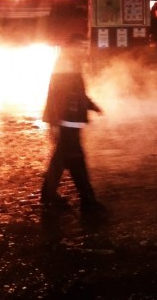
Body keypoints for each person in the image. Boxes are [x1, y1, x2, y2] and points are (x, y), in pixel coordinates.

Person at [40, 34, 107, 216]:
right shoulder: (66, 64)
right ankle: (88, 202)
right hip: (67, 120)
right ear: (72, 47)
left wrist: (92, 106)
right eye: (81, 46)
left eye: (85, 46)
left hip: (70, 120)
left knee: (60, 160)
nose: (84, 49)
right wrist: (55, 122)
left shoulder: (70, 63)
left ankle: (48, 195)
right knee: (77, 161)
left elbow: (77, 92)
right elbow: (56, 95)